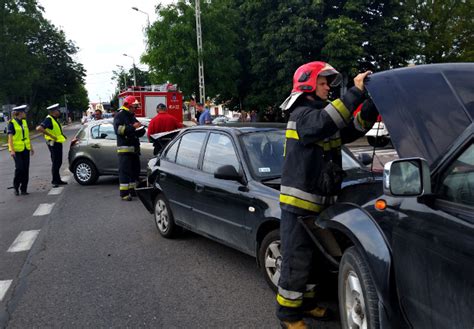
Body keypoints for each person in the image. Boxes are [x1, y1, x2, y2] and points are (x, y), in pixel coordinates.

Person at [277, 61, 379, 329]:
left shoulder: (321, 114)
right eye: (323, 82)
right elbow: (326, 121)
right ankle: (288, 316)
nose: (328, 87)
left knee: (314, 260)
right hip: (299, 206)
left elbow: (351, 128)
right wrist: (355, 92)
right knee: (296, 261)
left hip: (320, 203)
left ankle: (308, 305)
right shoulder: (302, 115)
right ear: (308, 83)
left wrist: (371, 105)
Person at [113, 95, 145, 201]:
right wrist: (133, 127)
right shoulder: (120, 115)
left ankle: (132, 190)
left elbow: (137, 130)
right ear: (128, 106)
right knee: (125, 172)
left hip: (134, 149)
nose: (136, 109)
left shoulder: (131, 115)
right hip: (125, 149)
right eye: (134, 106)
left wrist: (141, 129)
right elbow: (119, 130)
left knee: (134, 171)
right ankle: (124, 193)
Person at [36, 103, 68, 187]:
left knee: (58, 161)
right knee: (56, 162)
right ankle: (55, 181)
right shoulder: (49, 119)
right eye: (58, 110)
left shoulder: (54, 119)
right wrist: (50, 135)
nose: (59, 111)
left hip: (57, 142)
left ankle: (57, 179)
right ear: (54, 111)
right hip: (53, 143)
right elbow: (39, 128)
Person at [7, 105, 34, 195]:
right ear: (20, 113)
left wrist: (31, 147)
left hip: (25, 149)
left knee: (26, 169)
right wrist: (12, 150)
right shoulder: (12, 123)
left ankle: (24, 189)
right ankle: (16, 186)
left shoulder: (24, 122)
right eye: (24, 112)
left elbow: (27, 136)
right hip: (16, 150)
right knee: (19, 168)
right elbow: (10, 138)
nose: (25, 113)